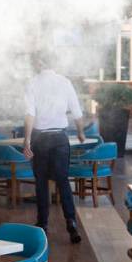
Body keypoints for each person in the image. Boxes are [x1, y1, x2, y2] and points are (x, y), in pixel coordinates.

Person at [22, 52, 86, 244]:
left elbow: (29, 114)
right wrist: (81, 132)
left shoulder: (32, 83)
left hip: (40, 138)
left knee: (41, 182)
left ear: (39, 63)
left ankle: (42, 225)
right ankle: (71, 223)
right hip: (60, 137)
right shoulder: (65, 82)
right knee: (63, 181)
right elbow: (77, 111)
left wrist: (26, 140)